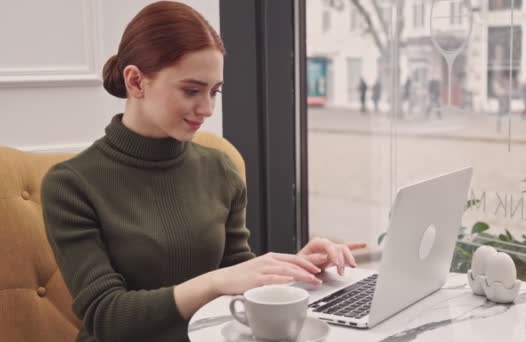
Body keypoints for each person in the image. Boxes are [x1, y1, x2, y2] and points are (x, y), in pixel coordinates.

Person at [40, 2, 365, 342]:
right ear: (136, 81)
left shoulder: (219, 169)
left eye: (214, 91)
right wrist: (214, 282)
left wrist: (297, 269)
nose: (207, 109)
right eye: (192, 90)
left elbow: (238, 277)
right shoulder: (71, 186)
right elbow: (107, 317)